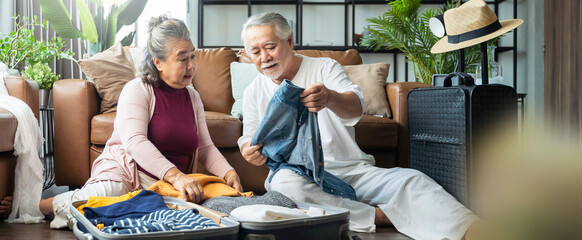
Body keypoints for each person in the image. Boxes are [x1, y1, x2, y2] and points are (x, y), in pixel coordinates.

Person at [237, 12, 479, 239]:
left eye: (270, 47)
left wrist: (330, 98)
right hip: (299, 177)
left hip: (351, 170)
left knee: (411, 180)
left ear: (289, 41)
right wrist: (249, 150)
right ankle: (381, 216)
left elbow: (356, 107)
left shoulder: (324, 67)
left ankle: (473, 229)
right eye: (255, 52)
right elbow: (249, 137)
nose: (264, 58)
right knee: (285, 186)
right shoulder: (253, 91)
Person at [37, 15, 243, 229]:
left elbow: (206, 146)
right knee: (95, 204)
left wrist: (228, 173)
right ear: (158, 62)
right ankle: (41, 206)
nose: (191, 65)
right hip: (127, 175)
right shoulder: (137, 89)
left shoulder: (192, 97)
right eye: (183, 59)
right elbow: (135, 141)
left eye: (193, 56)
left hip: (166, 185)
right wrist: (177, 176)